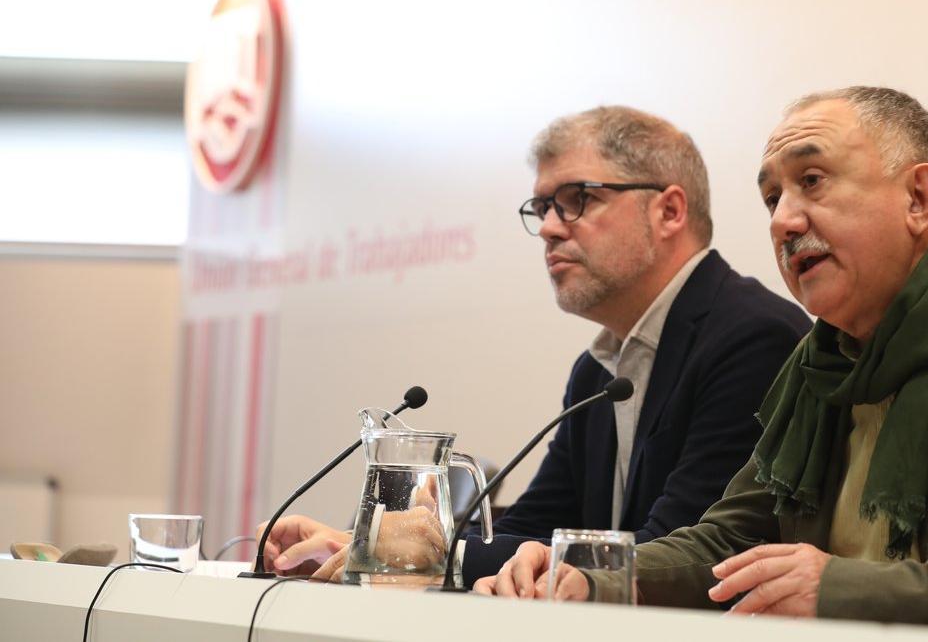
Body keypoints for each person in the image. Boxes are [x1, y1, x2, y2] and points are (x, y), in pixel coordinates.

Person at [476, 87, 928, 640]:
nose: (784, 219)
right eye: (772, 197)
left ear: (919, 197)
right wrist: (587, 571)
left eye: (812, 181)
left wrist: (840, 590)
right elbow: (731, 536)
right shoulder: (821, 362)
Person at [257, 106, 813, 586]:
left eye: (576, 199)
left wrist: (416, 555)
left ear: (668, 211)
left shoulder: (749, 338)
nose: (549, 227)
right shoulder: (598, 372)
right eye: (542, 207)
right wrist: (375, 541)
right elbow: (531, 527)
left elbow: (677, 551)